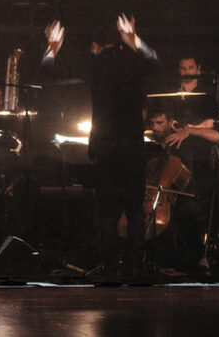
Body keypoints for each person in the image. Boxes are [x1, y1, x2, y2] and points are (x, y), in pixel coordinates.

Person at [43, 15, 160, 276]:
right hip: (131, 144)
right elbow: (156, 62)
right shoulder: (134, 60)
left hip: (105, 145)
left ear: (95, 46)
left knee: (106, 209)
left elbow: (50, 72)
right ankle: (135, 264)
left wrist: (53, 47)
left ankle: (109, 264)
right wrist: (134, 40)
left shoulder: (94, 64)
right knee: (134, 208)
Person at [148, 104, 219, 274]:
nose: (155, 128)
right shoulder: (153, 146)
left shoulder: (184, 140)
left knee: (190, 210)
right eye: (152, 123)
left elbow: (218, 137)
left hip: (184, 194)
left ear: (170, 122)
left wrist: (190, 131)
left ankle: (199, 258)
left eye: (160, 123)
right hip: (162, 196)